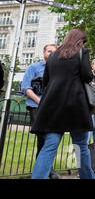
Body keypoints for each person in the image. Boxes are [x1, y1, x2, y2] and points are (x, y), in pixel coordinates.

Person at [30, 29, 95, 179]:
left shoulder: (52, 56)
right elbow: (87, 76)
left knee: (49, 147)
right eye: (83, 42)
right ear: (80, 41)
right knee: (80, 147)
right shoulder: (82, 53)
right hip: (76, 107)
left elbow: (46, 80)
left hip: (53, 107)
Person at [20, 43, 59, 179]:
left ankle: (43, 170)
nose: (51, 54)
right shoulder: (33, 68)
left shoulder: (57, 70)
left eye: (54, 52)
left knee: (50, 139)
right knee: (43, 137)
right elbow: (25, 88)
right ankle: (46, 171)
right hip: (36, 107)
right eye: (49, 51)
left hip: (52, 109)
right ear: (43, 52)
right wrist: (40, 101)